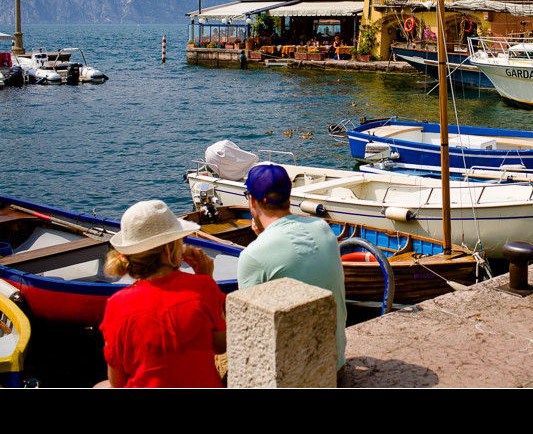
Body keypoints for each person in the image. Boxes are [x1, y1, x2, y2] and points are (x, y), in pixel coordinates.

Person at [98, 199, 226, 388]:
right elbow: (221, 346)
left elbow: (117, 382)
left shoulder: (116, 305)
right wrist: (206, 279)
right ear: (168, 250)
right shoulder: (203, 287)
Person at [236, 162, 347, 377]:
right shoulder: (324, 229)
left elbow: (249, 336)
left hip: (297, 379)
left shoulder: (252, 255)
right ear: (290, 195)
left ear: (251, 200)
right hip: (336, 366)